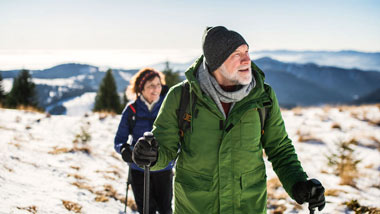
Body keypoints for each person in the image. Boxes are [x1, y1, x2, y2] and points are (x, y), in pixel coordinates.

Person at [132, 26, 325, 213]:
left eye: (247, 51)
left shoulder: (262, 97)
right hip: (195, 207)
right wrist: (152, 155)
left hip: (247, 207)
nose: (247, 60)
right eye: (237, 54)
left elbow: (279, 148)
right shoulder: (182, 96)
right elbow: (165, 148)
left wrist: (298, 183)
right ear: (217, 62)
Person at [114, 68, 173, 214]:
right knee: (146, 210)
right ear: (141, 88)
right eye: (150, 85)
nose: (156, 89)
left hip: (163, 169)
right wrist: (124, 150)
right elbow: (119, 140)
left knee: (166, 209)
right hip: (138, 169)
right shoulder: (131, 110)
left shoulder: (168, 108)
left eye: (158, 84)